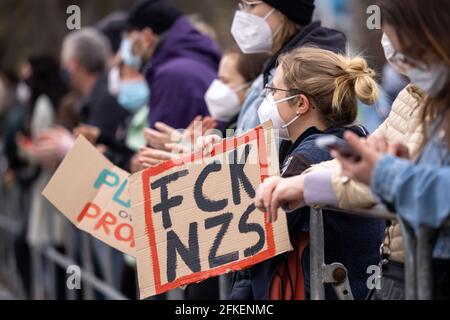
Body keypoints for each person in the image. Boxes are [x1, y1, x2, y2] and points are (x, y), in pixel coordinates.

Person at [331, 0, 450, 300]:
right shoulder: (434, 104)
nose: (405, 64)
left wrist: (389, 174)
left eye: (415, 52)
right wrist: (401, 169)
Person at [246, 47, 384, 300]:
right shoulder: (351, 135)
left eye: (273, 91)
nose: (267, 98)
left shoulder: (311, 154)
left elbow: (253, 235)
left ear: (301, 103)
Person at [231, 0, 347, 135]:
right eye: (243, 6)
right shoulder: (273, 67)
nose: (244, 14)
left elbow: (264, 149)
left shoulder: (303, 74)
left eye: (252, 5)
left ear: (282, 11)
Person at [126, 0, 222, 131]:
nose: (131, 51)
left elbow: (160, 144)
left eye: (133, 42)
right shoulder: (194, 58)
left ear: (147, 37)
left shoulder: (172, 75)